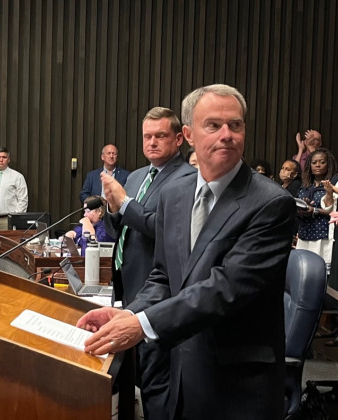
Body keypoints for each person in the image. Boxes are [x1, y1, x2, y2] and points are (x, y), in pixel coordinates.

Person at [79, 84, 295, 419]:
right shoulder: (175, 194)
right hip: (181, 366)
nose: (226, 134)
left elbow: (226, 288)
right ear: (189, 135)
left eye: (235, 125)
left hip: (237, 382)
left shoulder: (270, 202)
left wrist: (142, 324)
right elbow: (164, 275)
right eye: (214, 125)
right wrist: (130, 313)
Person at [100, 106, 196, 419]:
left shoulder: (187, 178)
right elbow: (122, 227)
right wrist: (113, 209)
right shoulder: (138, 175)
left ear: (179, 138)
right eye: (146, 137)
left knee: (156, 378)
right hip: (128, 284)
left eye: (160, 136)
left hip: (157, 288)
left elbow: (163, 228)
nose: (152, 142)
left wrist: (125, 203)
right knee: (128, 372)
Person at [295, 147, 338, 270]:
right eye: (314, 163)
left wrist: (314, 210)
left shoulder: (335, 183)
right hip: (304, 234)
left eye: (322, 162)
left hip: (322, 235)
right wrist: (301, 209)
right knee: (303, 270)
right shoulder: (304, 185)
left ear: (328, 164)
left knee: (319, 272)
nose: (318, 165)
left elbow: (333, 210)